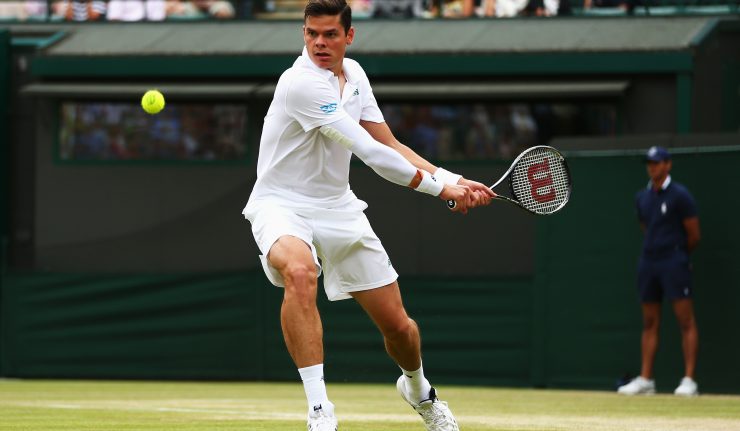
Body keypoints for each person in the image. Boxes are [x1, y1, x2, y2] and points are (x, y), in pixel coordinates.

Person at [242, 1, 494, 429]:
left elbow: (389, 141)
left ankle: (418, 388)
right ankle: (320, 412)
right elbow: (370, 152)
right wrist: (439, 190)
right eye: (311, 34)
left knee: (400, 330)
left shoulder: (354, 75)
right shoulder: (300, 83)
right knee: (300, 273)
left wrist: (453, 177)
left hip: (340, 207)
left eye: (330, 35)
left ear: (349, 36)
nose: (319, 43)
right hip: (281, 204)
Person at [618, 146, 701, 397]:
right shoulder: (641, 197)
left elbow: (694, 235)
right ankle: (646, 379)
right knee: (649, 322)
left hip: (674, 262)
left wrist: (677, 255)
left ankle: (689, 380)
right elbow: (647, 227)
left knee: (685, 320)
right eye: (649, 163)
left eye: (657, 162)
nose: (652, 167)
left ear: (668, 165)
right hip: (649, 262)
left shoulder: (681, 195)